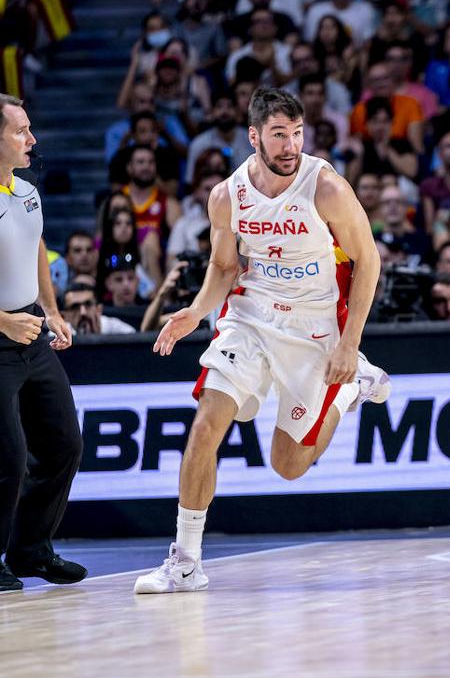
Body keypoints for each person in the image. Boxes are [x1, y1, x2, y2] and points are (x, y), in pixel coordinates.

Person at [134, 88, 392, 594]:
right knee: (208, 422)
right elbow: (225, 266)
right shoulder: (226, 196)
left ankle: (352, 385)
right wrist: (196, 310)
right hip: (248, 320)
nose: (290, 145)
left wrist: (348, 343)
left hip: (313, 328)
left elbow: (369, 260)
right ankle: (186, 561)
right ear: (253, 136)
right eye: (278, 134)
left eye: (297, 133)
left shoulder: (327, 189)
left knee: (287, 465)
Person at [0, 94, 86, 591]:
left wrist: (50, 311)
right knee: (8, 459)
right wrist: (3, 322)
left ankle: (32, 550)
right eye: (19, 132)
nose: (31, 140)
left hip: (31, 331)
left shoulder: (26, 187)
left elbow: (35, 245)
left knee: (63, 444)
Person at [62, 282, 136, 336]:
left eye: (88, 304)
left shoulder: (116, 329)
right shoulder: (58, 335)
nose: (83, 312)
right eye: (75, 307)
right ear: (64, 316)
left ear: (99, 309)